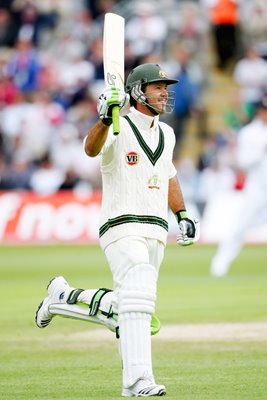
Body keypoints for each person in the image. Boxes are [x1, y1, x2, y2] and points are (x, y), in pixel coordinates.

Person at [35, 63, 200, 397]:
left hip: (156, 230)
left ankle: (64, 297)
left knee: (133, 310)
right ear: (138, 91)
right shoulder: (117, 125)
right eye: (157, 87)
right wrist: (103, 117)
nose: (165, 92)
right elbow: (91, 149)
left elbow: (168, 175)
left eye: (166, 87)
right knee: (138, 296)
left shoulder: (167, 134)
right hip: (121, 225)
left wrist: (182, 213)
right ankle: (138, 381)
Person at [210, 96, 267, 277]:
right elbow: (243, 161)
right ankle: (220, 264)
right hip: (256, 187)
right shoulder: (248, 133)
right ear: (259, 112)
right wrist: (262, 150)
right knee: (239, 226)